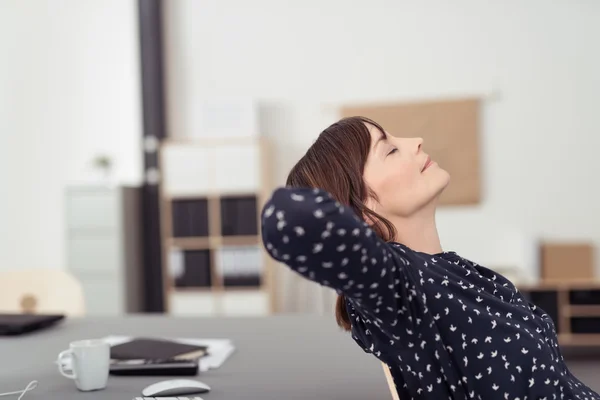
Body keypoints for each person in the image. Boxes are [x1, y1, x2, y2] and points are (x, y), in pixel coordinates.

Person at [260, 116, 600, 399]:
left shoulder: (452, 270)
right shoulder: (401, 289)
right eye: (390, 149)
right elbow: (288, 219)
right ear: (361, 211)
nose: (417, 140)